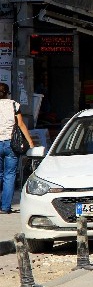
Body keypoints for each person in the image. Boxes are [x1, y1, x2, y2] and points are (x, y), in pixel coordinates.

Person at [0, 83, 34, 214]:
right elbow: (20, 124)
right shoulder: (14, 105)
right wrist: (30, 141)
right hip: (11, 144)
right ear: (8, 93)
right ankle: (5, 207)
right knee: (9, 175)